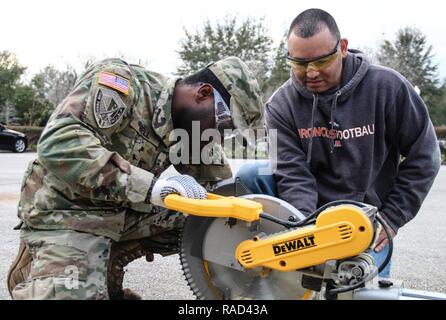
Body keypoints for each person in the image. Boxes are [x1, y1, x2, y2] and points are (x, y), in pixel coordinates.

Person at [7, 56, 264, 299]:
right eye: (224, 125)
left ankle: (107, 259)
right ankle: (43, 265)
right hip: (68, 213)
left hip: (121, 214)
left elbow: (221, 191)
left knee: (210, 219)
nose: (221, 135)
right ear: (204, 94)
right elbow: (59, 142)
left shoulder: (196, 127)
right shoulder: (123, 84)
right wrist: (152, 188)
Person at [236, 8, 441, 278]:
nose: (310, 73)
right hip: (308, 214)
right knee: (250, 175)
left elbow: (424, 156)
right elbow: (293, 173)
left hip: (365, 219)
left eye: (321, 62)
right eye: (299, 63)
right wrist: (307, 238)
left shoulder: (388, 88)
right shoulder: (281, 105)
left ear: (342, 48)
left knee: (362, 291)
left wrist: (391, 218)